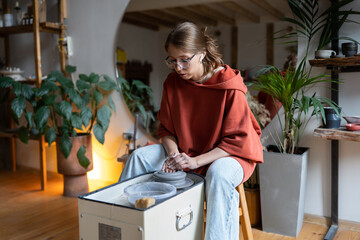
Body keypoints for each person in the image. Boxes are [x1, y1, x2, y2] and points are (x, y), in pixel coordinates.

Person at [119, 22, 263, 240]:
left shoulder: (228, 85)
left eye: (185, 59)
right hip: (186, 151)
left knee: (219, 173)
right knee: (139, 157)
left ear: (202, 54)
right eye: (172, 60)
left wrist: (196, 162)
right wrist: (174, 155)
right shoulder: (172, 83)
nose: (178, 67)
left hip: (230, 155)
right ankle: (125, 228)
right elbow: (166, 130)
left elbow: (237, 141)